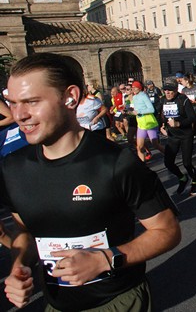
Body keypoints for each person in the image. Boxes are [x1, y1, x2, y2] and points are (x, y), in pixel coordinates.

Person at [0, 53, 180, 310]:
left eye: (31, 102)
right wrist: (20, 266)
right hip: (56, 305)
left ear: (70, 97)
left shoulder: (116, 162)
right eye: (13, 103)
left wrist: (105, 259)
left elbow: (168, 231)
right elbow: (24, 232)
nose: (19, 115)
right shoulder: (12, 168)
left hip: (116, 301)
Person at [158, 78, 196, 196]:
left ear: (176, 90)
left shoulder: (183, 100)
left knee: (187, 163)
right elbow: (160, 114)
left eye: (170, 90)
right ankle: (182, 178)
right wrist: (161, 125)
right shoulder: (163, 100)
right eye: (165, 90)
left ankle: (195, 182)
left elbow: (193, 117)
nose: (167, 92)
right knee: (168, 163)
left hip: (185, 135)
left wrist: (179, 124)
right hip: (172, 136)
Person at [131, 81, 165, 162]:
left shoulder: (143, 96)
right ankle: (142, 166)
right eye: (132, 87)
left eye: (135, 87)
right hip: (141, 124)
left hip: (150, 123)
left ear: (139, 88)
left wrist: (139, 111)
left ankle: (169, 155)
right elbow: (135, 109)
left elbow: (151, 109)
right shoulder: (134, 97)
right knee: (139, 147)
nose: (133, 89)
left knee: (155, 145)